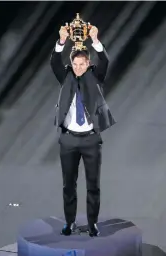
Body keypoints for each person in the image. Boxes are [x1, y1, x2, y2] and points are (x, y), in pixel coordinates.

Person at [50, 25, 116, 237]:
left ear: (88, 64)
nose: (78, 67)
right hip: (68, 140)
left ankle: (92, 223)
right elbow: (54, 62)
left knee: (93, 185)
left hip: (90, 140)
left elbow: (104, 61)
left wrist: (96, 39)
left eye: (82, 64)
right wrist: (61, 41)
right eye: (75, 64)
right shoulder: (66, 76)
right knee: (68, 185)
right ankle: (69, 223)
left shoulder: (95, 76)